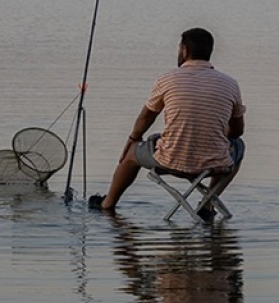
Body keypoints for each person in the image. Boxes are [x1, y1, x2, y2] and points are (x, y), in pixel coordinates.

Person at [90, 27, 244, 214]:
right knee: (239, 146)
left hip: (170, 160)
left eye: (180, 48)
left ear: (185, 50)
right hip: (214, 164)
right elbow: (237, 131)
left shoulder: (167, 79)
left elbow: (146, 117)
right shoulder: (230, 83)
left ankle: (108, 204)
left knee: (131, 155)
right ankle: (208, 203)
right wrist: (217, 133)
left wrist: (133, 139)